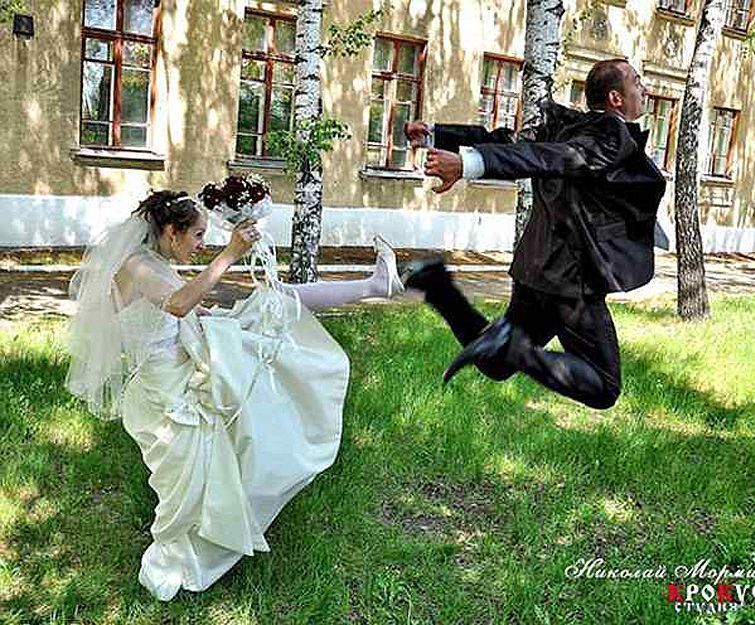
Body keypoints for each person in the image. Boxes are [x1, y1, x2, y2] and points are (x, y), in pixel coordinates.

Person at [65, 190, 403, 600]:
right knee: (196, 476)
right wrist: (229, 254)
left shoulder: (152, 261)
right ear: (171, 232)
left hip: (183, 362)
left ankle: (374, 284)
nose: (201, 244)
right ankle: (184, 552)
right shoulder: (138, 265)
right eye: (197, 235)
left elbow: (178, 307)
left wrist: (216, 312)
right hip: (168, 389)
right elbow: (176, 304)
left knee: (273, 302)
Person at [402, 59, 666, 409]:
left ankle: (438, 288)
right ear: (616, 98)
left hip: (536, 269)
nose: (644, 88)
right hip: (571, 280)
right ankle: (510, 344)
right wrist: (469, 164)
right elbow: (547, 157)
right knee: (604, 387)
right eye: (637, 81)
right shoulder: (610, 135)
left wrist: (437, 134)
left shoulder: (569, 127)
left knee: (496, 365)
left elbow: (514, 145)